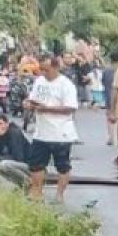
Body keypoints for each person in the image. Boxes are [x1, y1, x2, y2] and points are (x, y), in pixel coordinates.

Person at [25, 54, 79, 203]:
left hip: (60, 133)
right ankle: (37, 192)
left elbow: (70, 108)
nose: (43, 73)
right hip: (41, 132)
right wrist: (29, 104)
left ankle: (59, 194)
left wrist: (46, 109)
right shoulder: (39, 82)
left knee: (62, 166)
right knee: (36, 165)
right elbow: (33, 99)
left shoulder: (66, 85)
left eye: (46, 70)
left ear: (56, 67)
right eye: (41, 69)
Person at [102, 53, 118, 145]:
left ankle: (111, 137)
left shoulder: (106, 70)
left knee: (109, 117)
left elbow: (103, 82)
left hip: (108, 95)